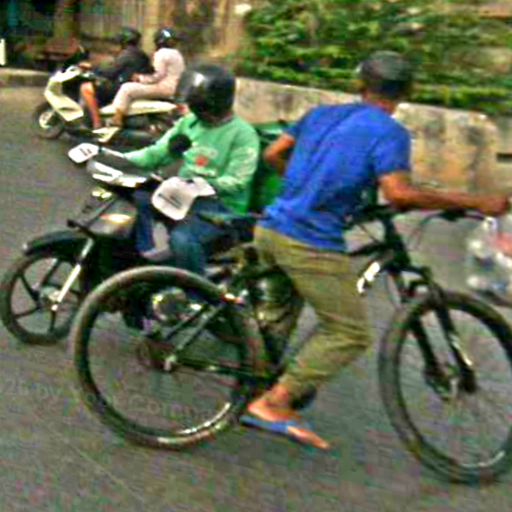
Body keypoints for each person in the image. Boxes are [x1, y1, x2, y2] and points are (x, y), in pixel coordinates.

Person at [240, 51, 510, 450]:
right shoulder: (388, 132)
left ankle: (254, 385)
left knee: (279, 314)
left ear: (360, 84)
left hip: (271, 227)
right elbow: (399, 193)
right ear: (406, 92)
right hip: (308, 240)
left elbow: (273, 154)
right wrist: (473, 201)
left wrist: (307, 185)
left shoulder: (320, 115)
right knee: (348, 332)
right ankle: (273, 404)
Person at [123, 63, 260, 274]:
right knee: (130, 201)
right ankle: (144, 264)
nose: (193, 110)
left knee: (183, 240)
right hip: (180, 196)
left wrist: (199, 185)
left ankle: (195, 290)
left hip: (220, 206)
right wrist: (117, 159)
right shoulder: (189, 124)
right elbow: (156, 154)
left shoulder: (243, 134)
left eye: (198, 105)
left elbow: (237, 182)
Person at [110, 27, 186, 128]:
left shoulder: (162, 53)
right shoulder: (177, 54)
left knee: (126, 88)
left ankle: (117, 118)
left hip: (164, 87)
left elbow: (157, 76)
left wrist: (140, 78)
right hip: (175, 88)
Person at [80, 27, 151, 130]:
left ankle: (97, 123)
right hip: (133, 86)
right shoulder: (142, 54)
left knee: (86, 88)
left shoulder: (127, 54)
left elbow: (111, 72)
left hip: (120, 87)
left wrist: (93, 70)